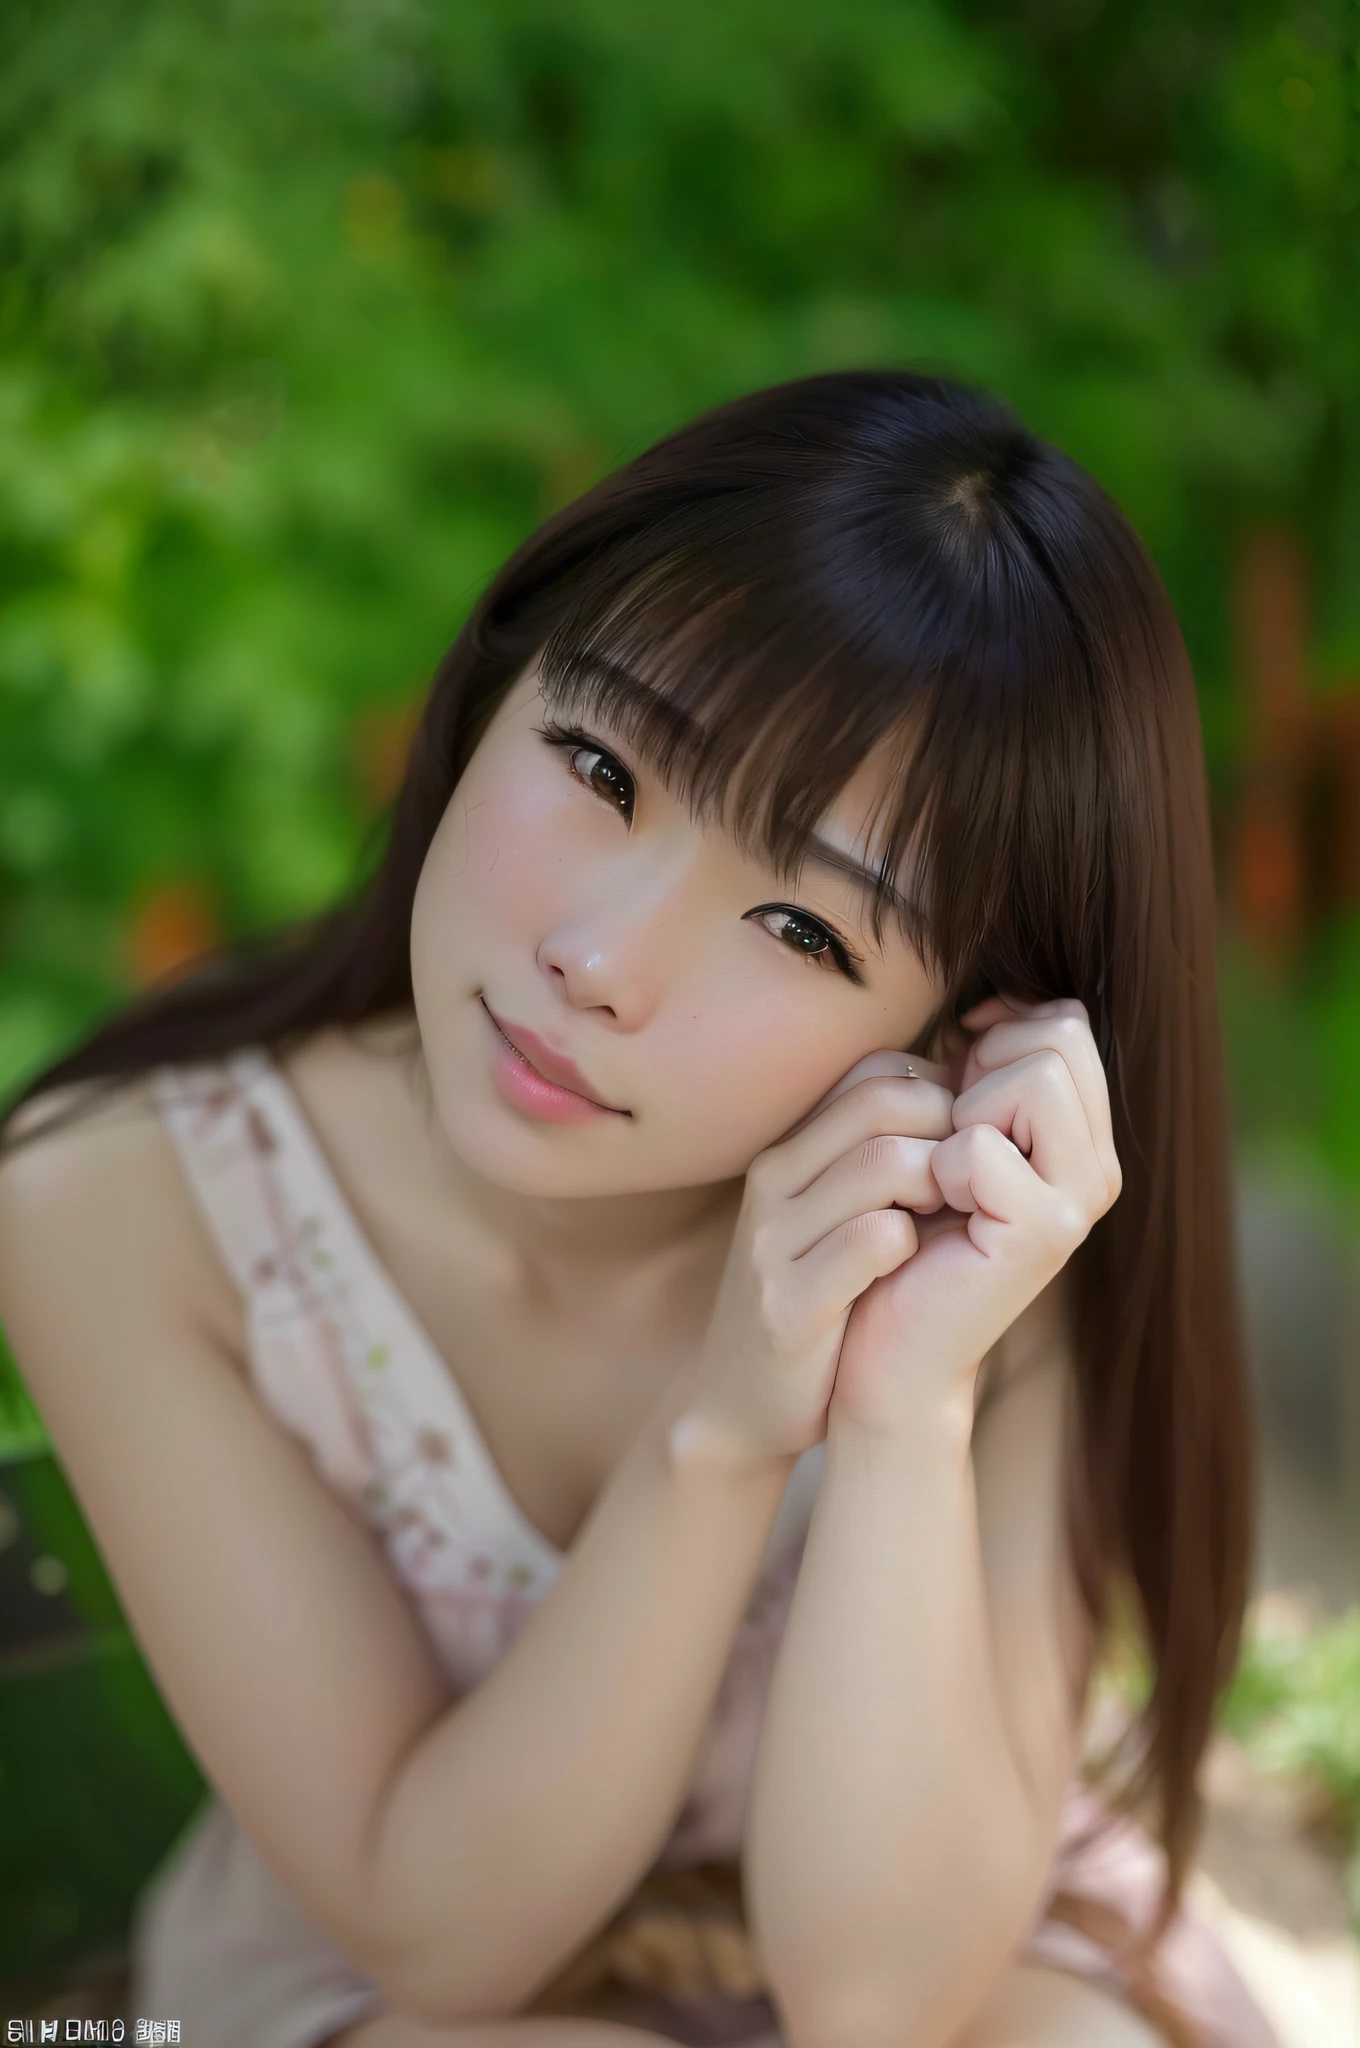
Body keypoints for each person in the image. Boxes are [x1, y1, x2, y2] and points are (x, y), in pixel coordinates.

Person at [0, 370, 1281, 2048]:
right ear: (495, 683)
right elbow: (438, 1935)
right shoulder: (128, 1203)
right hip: (401, 1986)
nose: (599, 966)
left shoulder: (997, 1253)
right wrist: (726, 1428)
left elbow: (882, 2000)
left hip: (917, 1933)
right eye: (602, 766)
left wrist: (901, 1402)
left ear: (968, 1030)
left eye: (807, 931)